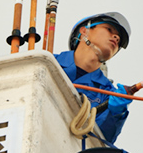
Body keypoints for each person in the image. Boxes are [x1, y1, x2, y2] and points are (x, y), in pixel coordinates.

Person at [55, 12, 132, 143]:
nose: (116, 37)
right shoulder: (49, 62)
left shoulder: (107, 94)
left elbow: (100, 140)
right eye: (109, 29)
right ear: (84, 31)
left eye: (119, 40)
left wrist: (116, 113)